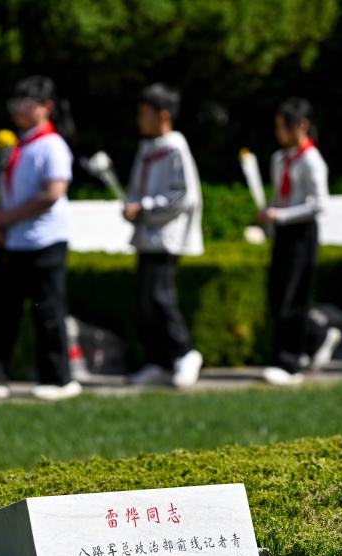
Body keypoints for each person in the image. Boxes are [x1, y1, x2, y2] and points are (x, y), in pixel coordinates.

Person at [0, 75, 82, 401]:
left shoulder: (52, 145)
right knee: (1, 310)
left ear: (46, 107)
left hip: (45, 239)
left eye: (26, 103)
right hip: (14, 240)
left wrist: (10, 216)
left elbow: (53, 192)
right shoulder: (18, 144)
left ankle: (58, 378)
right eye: (16, 103)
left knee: (47, 310)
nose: (18, 109)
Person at [124, 83, 205, 388]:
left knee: (160, 297)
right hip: (147, 236)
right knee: (144, 301)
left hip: (167, 236)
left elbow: (182, 196)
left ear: (163, 115)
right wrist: (131, 205)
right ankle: (158, 361)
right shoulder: (147, 148)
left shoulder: (175, 148)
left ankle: (185, 352)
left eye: (144, 114)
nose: (139, 120)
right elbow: (136, 187)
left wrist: (145, 207)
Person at [256, 97, 341, 385]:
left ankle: (289, 363)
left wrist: (281, 215)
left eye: (284, 127)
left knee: (293, 297)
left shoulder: (312, 160)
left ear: (301, 126)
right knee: (277, 293)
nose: (279, 133)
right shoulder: (279, 159)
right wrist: (270, 214)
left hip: (302, 233)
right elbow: (278, 196)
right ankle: (317, 336)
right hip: (283, 232)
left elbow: (319, 204)